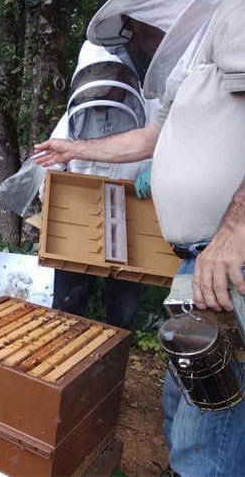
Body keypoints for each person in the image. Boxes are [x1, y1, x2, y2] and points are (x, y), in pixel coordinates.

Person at [34, 0, 245, 476]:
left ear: (167, 1)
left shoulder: (236, 9)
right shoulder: (191, 65)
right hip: (201, 264)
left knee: (207, 437)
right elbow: (152, 136)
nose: (136, 39)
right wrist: (74, 149)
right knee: (185, 415)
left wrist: (236, 228)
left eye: (136, 24)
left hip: (229, 258)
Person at [46, 40, 153, 330]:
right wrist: (53, 197)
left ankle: (111, 368)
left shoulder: (153, 106)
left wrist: (158, 170)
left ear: (124, 73)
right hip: (82, 220)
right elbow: (49, 164)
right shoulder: (75, 114)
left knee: (122, 314)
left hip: (135, 223)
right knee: (67, 309)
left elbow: (174, 146)